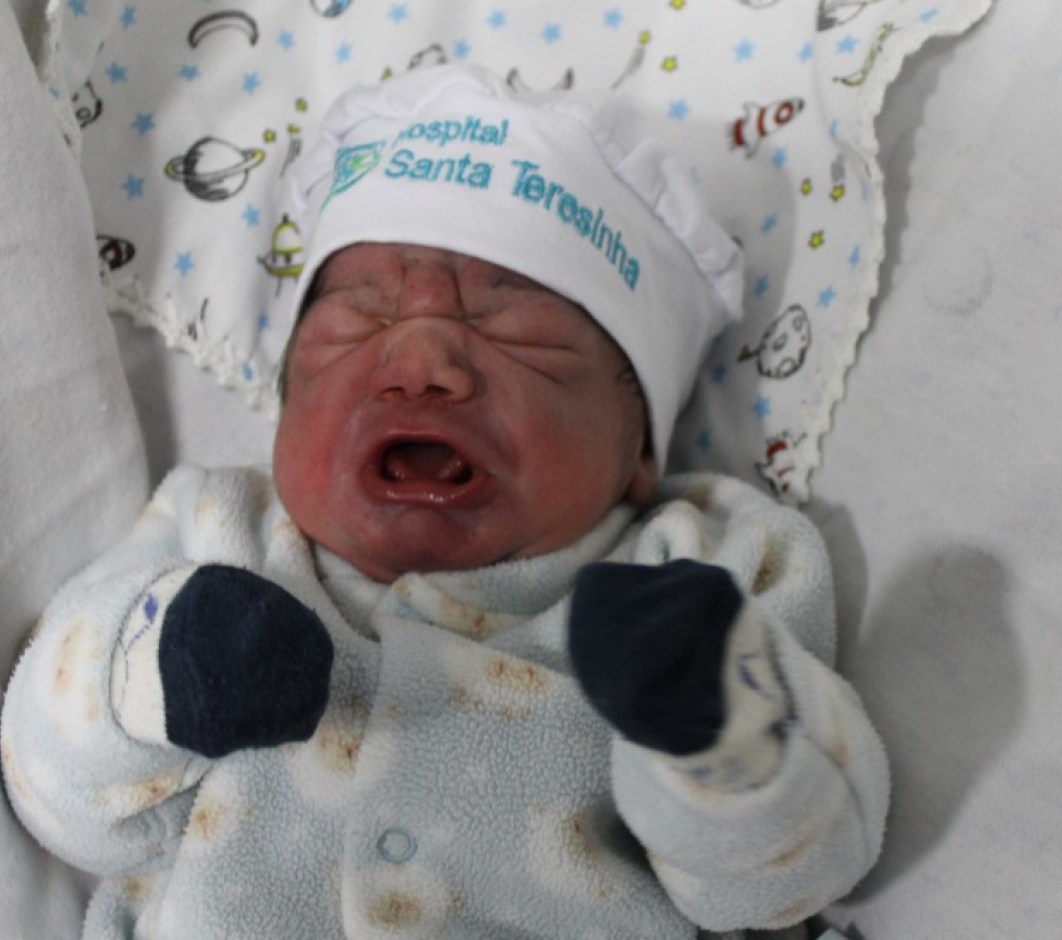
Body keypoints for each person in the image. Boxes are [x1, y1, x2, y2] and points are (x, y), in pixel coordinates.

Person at [0, 65, 887, 939]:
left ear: (639, 447)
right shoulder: (216, 531)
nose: (421, 362)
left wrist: (713, 724)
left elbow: (793, 877)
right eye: (356, 315)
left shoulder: (701, 565)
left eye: (517, 327)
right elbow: (57, 794)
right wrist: (158, 674)